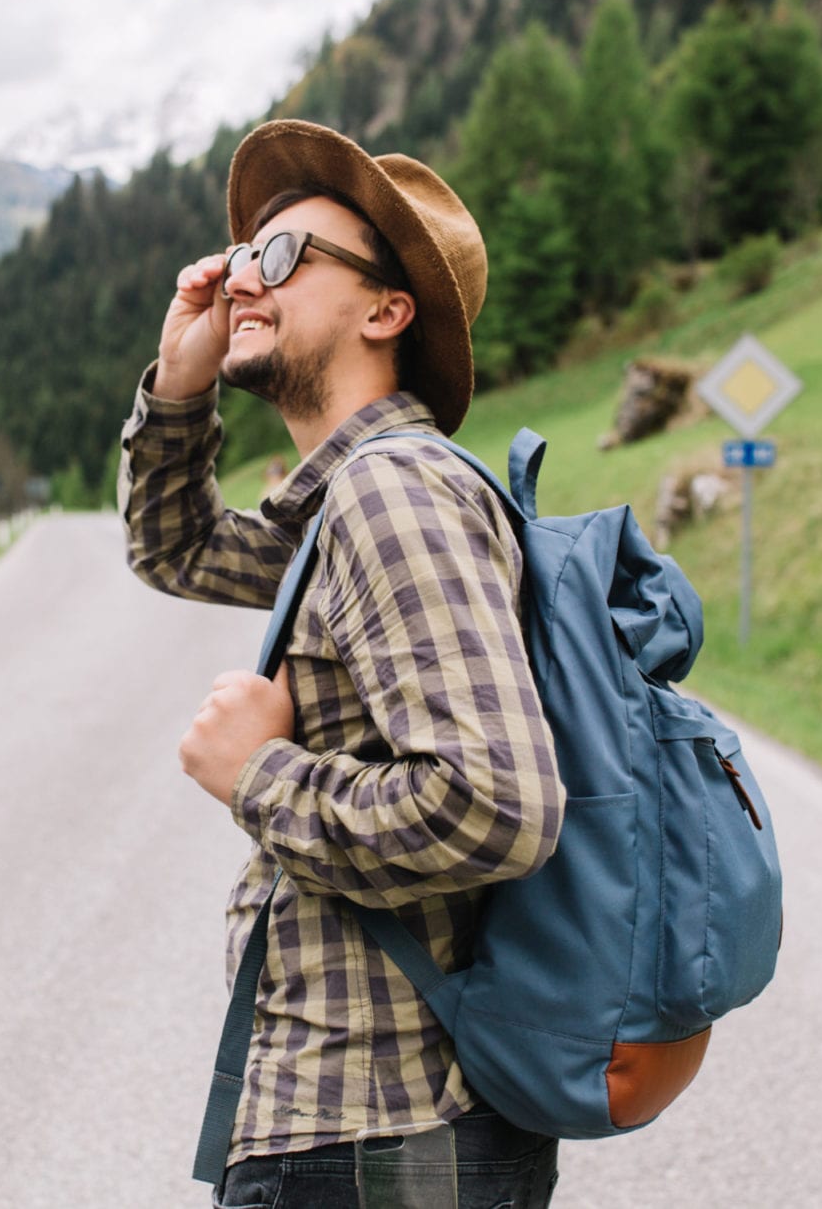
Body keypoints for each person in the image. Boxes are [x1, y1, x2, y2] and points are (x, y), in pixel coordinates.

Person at [117, 119, 565, 1209]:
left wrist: (255, 774)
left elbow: (497, 803)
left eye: (281, 257)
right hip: (373, 1139)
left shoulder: (390, 494)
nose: (241, 283)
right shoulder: (344, 507)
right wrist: (180, 384)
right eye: (237, 260)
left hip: (376, 1144)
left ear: (383, 309)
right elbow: (174, 547)